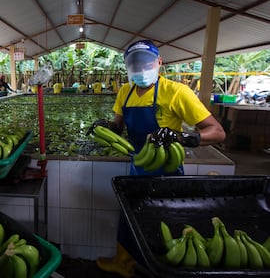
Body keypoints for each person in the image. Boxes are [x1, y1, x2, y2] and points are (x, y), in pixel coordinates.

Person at [95, 40, 226, 277]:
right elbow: (117, 124)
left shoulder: (177, 92)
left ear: (159, 63)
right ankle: (123, 262)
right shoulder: (126, 91)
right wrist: (106, 127)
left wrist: (181, 137)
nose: (141, 69)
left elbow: (217, 131)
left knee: (163, 220)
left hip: (167, 169)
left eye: (146, 63)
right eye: (134, 64)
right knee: (129, 215)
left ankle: (159, 269)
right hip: (138, 165)